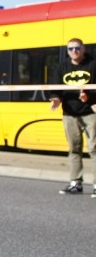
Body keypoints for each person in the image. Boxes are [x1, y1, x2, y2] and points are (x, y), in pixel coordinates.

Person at [49, 38, 96, 196]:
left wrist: (89, 98)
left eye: (77, 48)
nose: (74, 51)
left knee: (94, 148)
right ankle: (75, 183)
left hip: (90, 112)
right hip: (70, 113)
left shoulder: (93, 65)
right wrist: (56, 98)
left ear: (83, 49)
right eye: (70, 49)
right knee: (74, 149)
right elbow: (55, 87)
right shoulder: (62, 66)